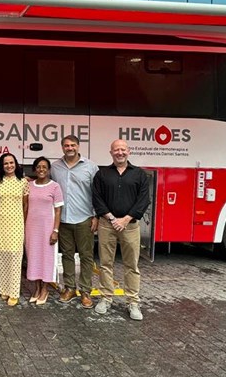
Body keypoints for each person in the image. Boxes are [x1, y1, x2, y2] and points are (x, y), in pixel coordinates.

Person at [92, 139, 150, 322]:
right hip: (106, 224)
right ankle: (106, 298)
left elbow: (144, 200)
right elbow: (97, 198)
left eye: (123, 149)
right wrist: (111, 218)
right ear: (111, 153)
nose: (120, 153)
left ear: (129, 151)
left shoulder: (139, 174)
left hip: (130, 226)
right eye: (116, 150)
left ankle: (133, 302)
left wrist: (125, 220)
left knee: (131, 265)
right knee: (105, 263)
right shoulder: (102, 174)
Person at [50, 135, 99, 307]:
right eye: (66, 145)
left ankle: (85, 291)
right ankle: (69, 288)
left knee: (86, 256)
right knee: (67, 255)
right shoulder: (55, 167)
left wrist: (96, 216)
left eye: (72, 145)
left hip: (84, 218)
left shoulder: (91, 167)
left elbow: (97, 193)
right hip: (63, 219)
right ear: (62, 147)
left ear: (78, 146)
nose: (69, 148)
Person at [0, 153, 29, 306]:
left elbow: (26, 205)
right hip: (0, 223)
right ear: (2, 166)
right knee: (1, 256)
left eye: (11, 163)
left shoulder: (23, 182)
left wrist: (23, 223)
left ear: (16, 164)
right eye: (6, 163)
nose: (9, 166)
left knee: (15, 257)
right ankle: (4, 289)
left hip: (16, 224)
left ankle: (14, 292)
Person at [24, 157, 63, 306]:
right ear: (34, 169)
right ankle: (37, 288)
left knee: (46, 258)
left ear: (49, 169)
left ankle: (45, 289)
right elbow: (25, 206)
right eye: (38, 167)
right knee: (33, 258)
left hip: (47, 228)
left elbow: (58, 211)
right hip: (31, 228)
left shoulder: (55, 187)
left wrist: (55, 230)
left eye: (44, 167)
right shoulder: (29, 185)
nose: (41, 169)